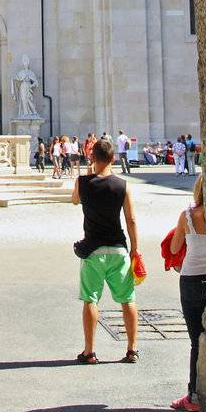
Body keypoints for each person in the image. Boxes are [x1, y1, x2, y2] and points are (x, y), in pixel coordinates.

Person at [71, 137, 141, 364]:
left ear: (92, 157)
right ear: (113, 158)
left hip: (93, 251)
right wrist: (135, 250)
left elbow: (74, 201)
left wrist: (88, 173)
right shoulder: (123, 186)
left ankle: (89, 352)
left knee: (91, 300)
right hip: (119, 249)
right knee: (127, 299)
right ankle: (131, 349)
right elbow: (131, 220)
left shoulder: (82, 182)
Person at [168, 175, 206, 412]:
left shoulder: (187, 215)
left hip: (192, 278)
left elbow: (174, 248)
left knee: (196, 340)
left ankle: (193, 396)